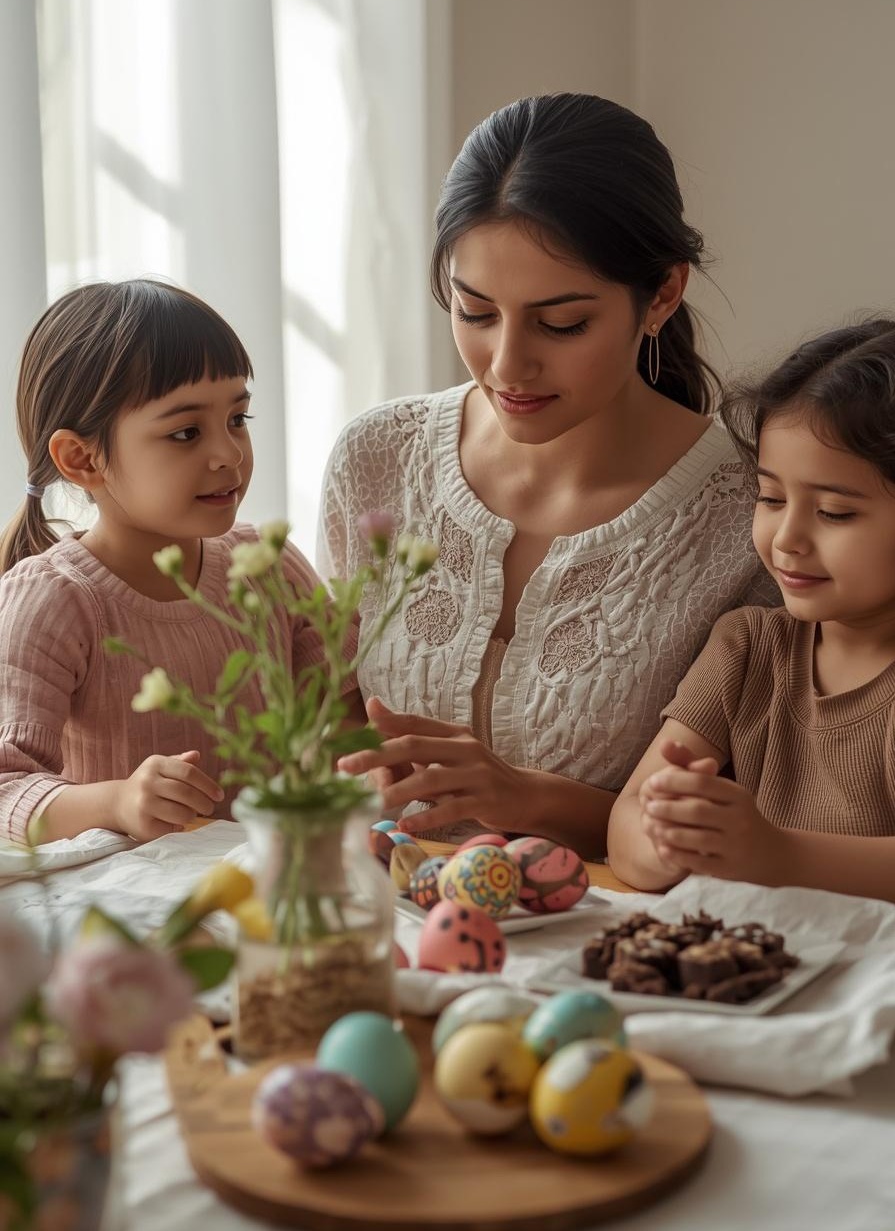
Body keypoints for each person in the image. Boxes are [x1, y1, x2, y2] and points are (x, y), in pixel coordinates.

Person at [319, 92, 775, 857]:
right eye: (475, 311)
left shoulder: (753, 515)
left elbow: (748, 822)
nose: (508, 364)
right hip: (389, 928)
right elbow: (330, 729)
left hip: (620, 945)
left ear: (662, 294)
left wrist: (522, 797)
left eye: (561, 323)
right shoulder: (375, 460)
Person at [608, 319, 895, 920]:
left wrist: (777, 857)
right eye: (772, 498)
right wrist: (672, 840)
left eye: (835, 512)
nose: (787, 538)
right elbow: (625, 825)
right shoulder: (749, 647)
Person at [0, 279, 326, 846]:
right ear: (82, 459)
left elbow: (347, 716)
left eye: (238, 419)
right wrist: (118, 801)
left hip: (274, 892)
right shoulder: (53, 603)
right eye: (185, 432)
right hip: (131, 914)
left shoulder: (268, 566)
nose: (228, 454)